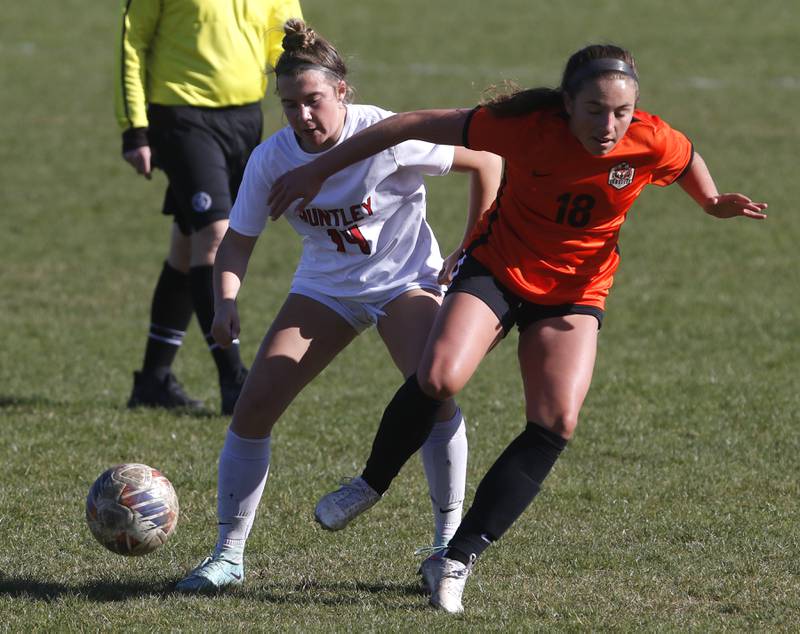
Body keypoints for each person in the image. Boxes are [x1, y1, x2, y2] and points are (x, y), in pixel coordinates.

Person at [267, 44, 768, 613]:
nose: (608, 125)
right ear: (566, 104)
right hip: (499, 269)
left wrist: (709, 200)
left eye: (621, 113)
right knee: (438, 376)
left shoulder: (650, 137)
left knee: (557, 421)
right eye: (594, 110)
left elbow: (686, 157)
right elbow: (404, 125)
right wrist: (316, 168)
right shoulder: (525, 127)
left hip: (576, 291)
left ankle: (454, 558)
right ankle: (371, 482)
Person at [174, 19, 503, 593]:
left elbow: (488, 162)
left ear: (342, 92)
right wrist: (226, 301)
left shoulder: (386, 133)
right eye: (289, 104)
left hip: (406, 282)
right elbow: (237, 243)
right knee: (253, 408)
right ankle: (227, 557)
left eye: (314, 101)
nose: (302, 116)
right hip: (325, 289)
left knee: (434, 394)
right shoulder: (271, 159)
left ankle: (445, 550)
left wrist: (473, 243)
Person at [115, 0, 303, 414]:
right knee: (217, 237)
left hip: (245, 119)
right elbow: (134, 43)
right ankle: (234, 378)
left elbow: (284, 43)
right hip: (182, 116)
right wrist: (135, 128)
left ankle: (153, 379)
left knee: (187, 245)